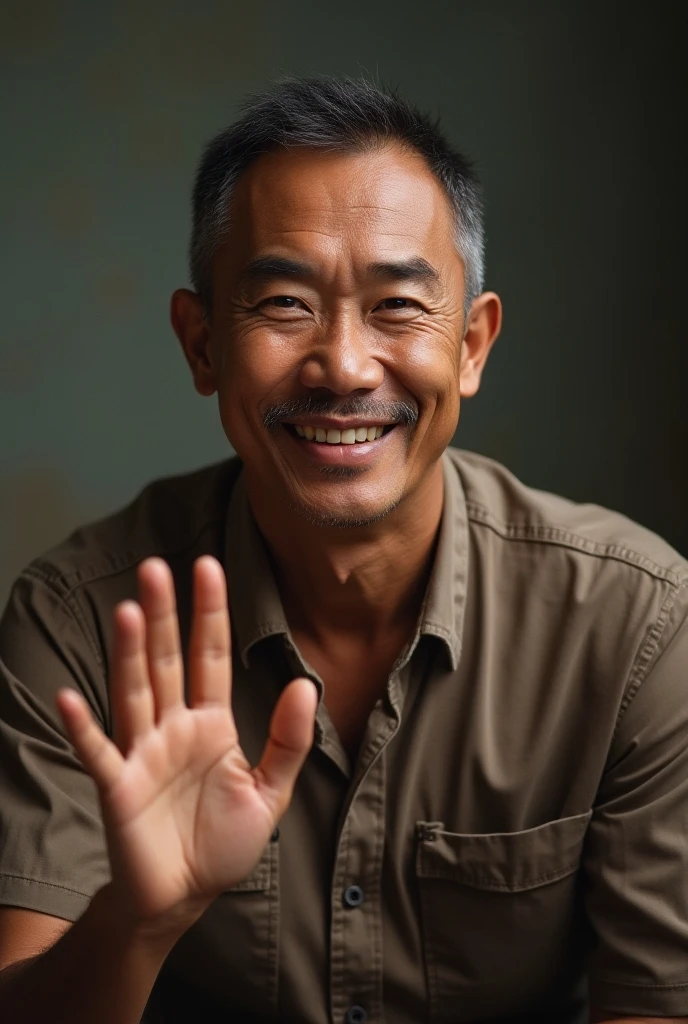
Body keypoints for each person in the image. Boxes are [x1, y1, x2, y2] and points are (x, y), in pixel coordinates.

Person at [0, 76, 686, 1024]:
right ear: (201, 344)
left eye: (398, 306)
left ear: (473, 345)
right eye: (284, 303)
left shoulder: (637, 627)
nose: (345, 367)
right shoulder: (78, 622)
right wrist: (139, 919)